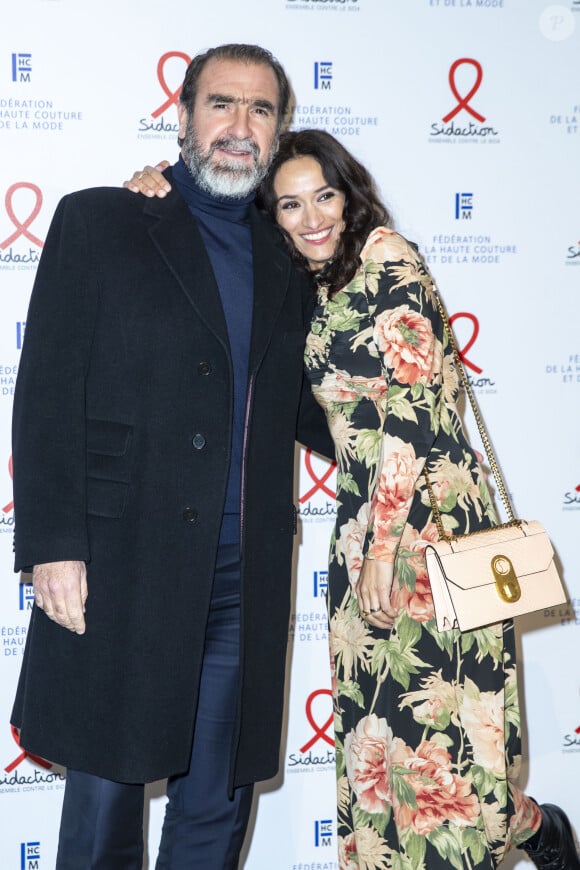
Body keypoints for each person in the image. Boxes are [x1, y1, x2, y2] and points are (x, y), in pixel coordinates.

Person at [128, 128, 579, 869]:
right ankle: (531, 826)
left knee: (443, 734)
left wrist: (386, 545)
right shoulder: (311, 284)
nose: (312, 218)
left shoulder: (386, 257)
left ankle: (513, 828)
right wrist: (166, 184)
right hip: (360, 522)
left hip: (424, 524)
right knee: (383, 734)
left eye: (325, 196)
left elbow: (407, 411)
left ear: (351, 192)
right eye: (290, 205)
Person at [11, 46, 332, 870]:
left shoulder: (284, 254)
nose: (240, 127)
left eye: (261, 112)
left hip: (243, 573)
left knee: (216, 807)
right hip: (122, 559)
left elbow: (310, 402)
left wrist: (412, 439)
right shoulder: (103, 220)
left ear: (277, 131)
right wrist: (52, 546)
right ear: (183, 115)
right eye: (222, 104)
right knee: (105, 801)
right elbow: (46, 393)